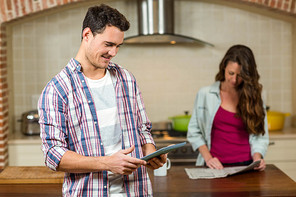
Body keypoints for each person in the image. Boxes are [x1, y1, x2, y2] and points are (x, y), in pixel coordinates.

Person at [38, 4, 166, 197]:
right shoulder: (57, 90)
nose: (113, 52)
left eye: (118, 46)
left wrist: (151, 152)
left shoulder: (126, 79)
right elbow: (53, 156)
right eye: (108, 44)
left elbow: (142, 129)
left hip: (137, 191)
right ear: (87, 34)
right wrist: (106, 163)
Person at [187, 44, 269, 171]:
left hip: (247, 167)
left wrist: (257, 157)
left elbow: (260, 135)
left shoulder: (255, 97)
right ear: (223, 67)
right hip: (214, 167)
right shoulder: (205, 94)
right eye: (231, 73)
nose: (234, 80)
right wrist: (208, 158)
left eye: (240, 75)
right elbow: (194, 132)